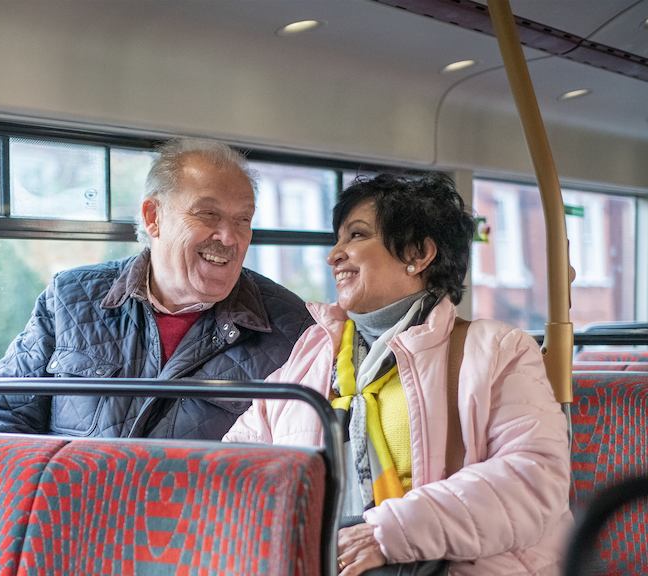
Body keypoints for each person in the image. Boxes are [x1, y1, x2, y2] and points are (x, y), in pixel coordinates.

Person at [224, 174, 571, 575]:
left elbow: (533, 482)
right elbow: (240, 463)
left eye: (356, 236)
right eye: (338, 239)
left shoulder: (495, 351)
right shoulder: (314, 352)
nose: (334, 254)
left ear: (418, 253)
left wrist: (388, 534)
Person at [0, 138, 314, 439]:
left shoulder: (290, 329)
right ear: (153, 217)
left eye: (243, 220)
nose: (229, 237)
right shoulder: (69, 299)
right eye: (208, 214)